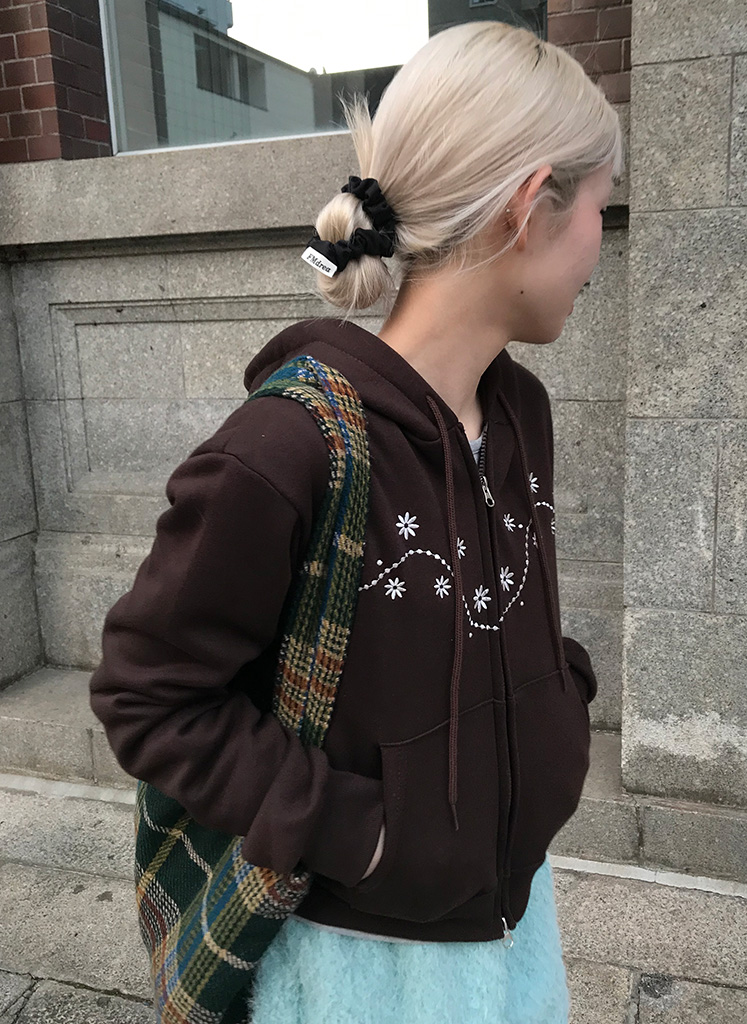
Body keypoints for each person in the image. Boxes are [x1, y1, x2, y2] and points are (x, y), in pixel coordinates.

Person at [89, 19, 623, 1024]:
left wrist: (557, 703)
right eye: (601, 203)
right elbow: (145, 696)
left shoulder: (521, 413)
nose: (604, 235)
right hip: (359, 970)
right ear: (529, 207)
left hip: (513, 935)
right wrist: (358, 832)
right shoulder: (286, 447)